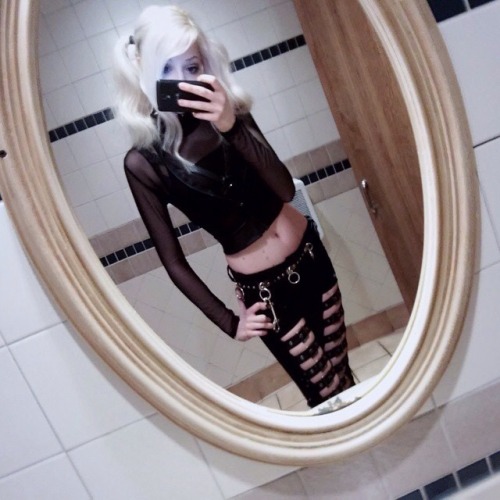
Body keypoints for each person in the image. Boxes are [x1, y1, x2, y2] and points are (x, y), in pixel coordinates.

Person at [113, 5, 354, 408]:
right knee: (325, 395)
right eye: (167, 69)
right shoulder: (143, 163)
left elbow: (283, 189)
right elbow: (173, 261)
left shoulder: (230, 110)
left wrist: (231, 126)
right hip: (267, 294)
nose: (183, 80)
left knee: (343, 375)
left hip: (312, 257)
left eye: (192, 66)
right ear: (146, 71)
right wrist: (229, 322)